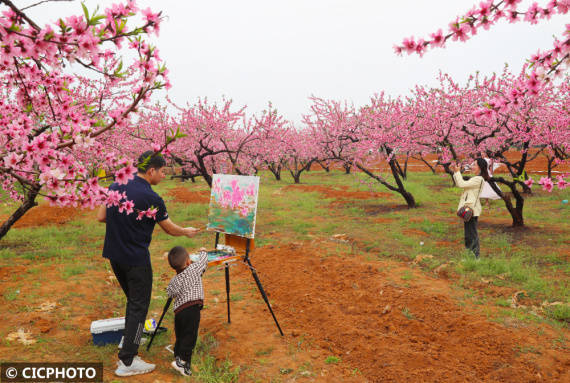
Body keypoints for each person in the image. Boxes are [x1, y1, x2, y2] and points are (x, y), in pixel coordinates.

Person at [97, 151, 200, 377]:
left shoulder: (116, 184)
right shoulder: (152, 198)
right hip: (136, 260)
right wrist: (187, 232)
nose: (164, 175)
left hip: (115, 255)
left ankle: (129, 340)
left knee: (134, 302)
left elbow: (102, 216)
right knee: (139, 306)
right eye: (163, 171)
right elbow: (170, 229)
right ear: (151, 170)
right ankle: (128, 361)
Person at [166, 246, 208, 376]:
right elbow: (203, 261)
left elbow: (170, 293)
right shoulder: (194, 269)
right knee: (190, 336)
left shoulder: (174, 280)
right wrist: (203, 251)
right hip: (192, 309)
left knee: (181, 334)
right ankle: (182, 362)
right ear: (189, 261)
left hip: (179, 312)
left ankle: (178, 355)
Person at [452, 157, 488, 259]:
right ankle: (470, 256)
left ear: (480, 167)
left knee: (471, 235)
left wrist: (457, 172)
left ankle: (475, 257)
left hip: (472, 210)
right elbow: (462, 184)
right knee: (469, 235)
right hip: (469, 209)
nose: (472, 166)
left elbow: (461, 184)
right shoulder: (476, 178)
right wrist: (456, 172)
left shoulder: (478, 179)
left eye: (474, 165)